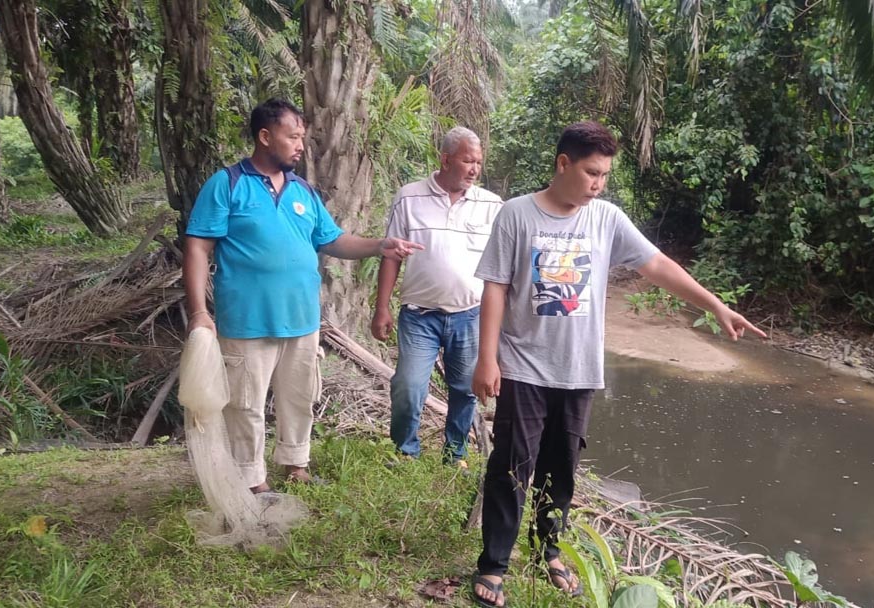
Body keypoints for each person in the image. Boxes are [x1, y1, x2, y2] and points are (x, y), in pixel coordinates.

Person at [468, 121, 767, 607]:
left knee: (561, 470)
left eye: (605, 175)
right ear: (563, 164)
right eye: (592, 172)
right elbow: (496, 287)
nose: (599, 184)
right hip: (523, 365)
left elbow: (658, 265)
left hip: (579, 369)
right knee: (511, 466)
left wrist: (714, 305)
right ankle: (494, 564)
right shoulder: (517, 214)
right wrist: (487, 359)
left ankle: (548, 552)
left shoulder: (606, 219)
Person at [182, 98, 422, 494]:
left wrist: (381, 245)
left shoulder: (303, 191)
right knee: (245, 404)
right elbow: (197, 247)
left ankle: (296, 464)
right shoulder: (227, 184)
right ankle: (251, 479)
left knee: (299, 398)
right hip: (247, 321)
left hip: (302, 320)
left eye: (302, 138)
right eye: (292, 137)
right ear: (264, 137)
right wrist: (198, 312)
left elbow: (333, 240)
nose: (300, 146)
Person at [371, 127, 503, 466]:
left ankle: (455, 454)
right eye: (467, 161)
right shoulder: (409, 197)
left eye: (478, 162)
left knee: (465, 389)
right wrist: (382, 307)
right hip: (419, 316)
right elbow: (391, 256)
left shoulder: (492, 205)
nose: (474, 169)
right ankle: (406, 451)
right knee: (409, 385)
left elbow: (503, 270)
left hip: (470, 315)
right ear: (445, 160)